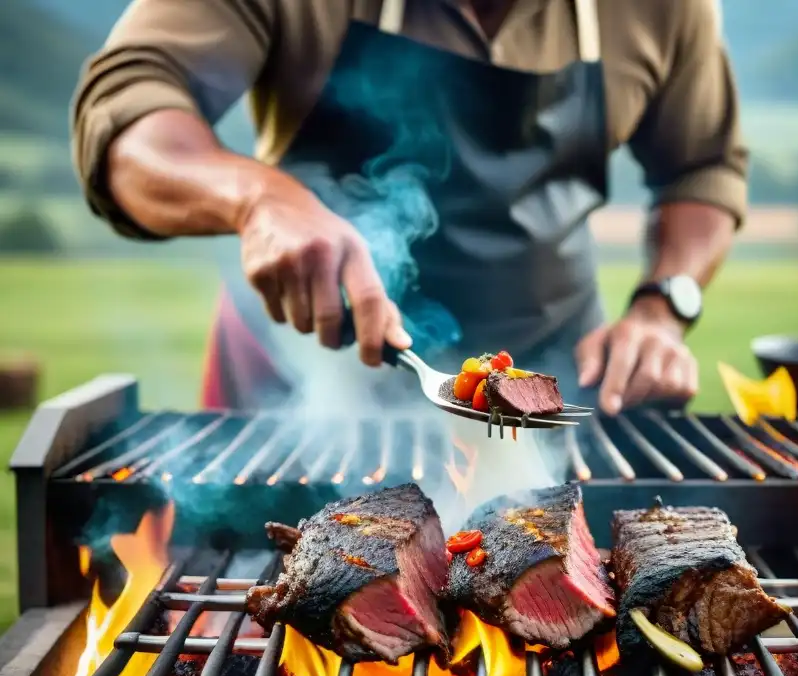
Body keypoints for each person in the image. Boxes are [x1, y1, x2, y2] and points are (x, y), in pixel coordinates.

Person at [72, 0, 747, 414]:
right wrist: (257, 197)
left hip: (555, 377)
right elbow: (125, 110)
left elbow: (703, 166)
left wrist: (663, 307)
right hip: (293, 377)